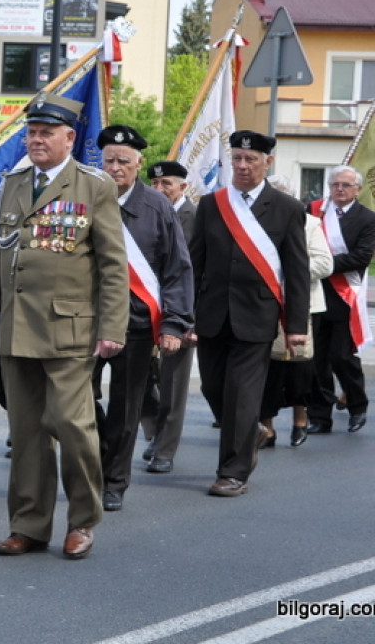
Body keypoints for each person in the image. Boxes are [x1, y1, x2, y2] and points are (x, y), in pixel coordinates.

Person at [0, 92, 128, 560]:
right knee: (28, 432)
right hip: (17, 329)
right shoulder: (11, 183)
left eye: (46, 133)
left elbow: (114, 264)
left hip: (70, 329)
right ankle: (29, 525)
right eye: (31, 133)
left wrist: (112, 326)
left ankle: (82, 520)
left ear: (69, 138)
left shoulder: (93, 187)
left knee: (72, 425)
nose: (36, 140)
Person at [189, 130, 309, 497]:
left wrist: (296, 326)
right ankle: (250, 431)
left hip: (257, 315)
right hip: (211, 313)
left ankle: (233, 471)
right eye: (237, 160)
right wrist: (184, 315)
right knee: (213, 387)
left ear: (266, 163)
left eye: (250, 160)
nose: (242, 166)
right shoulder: (212, 204)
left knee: (241, 394)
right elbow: (196, 261)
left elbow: (297, 269)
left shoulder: (287, 208)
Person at [94, 128, 193, 511]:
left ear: (138, 164)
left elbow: (176, 269)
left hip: (135, 324)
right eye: (109, 160)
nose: (115, 167)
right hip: (85, 320)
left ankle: (114, 481)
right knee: (76, 402)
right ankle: (101, 453)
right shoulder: (85, 197)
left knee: (126, 406)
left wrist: (174, 324)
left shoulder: (157, 206)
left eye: (123, 161)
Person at [259, 175, 332, 447]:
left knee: (300, 369)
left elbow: (325, 264)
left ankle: (300, 421)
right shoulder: (255, 222)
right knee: (267, 371)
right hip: (264, 305)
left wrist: (290, 271)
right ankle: (266, 427)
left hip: (304, 306)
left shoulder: (310, 223)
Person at [307, 165, 375, 435]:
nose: (339, 189)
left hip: (345, 296)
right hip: (316, 292)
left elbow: (360, 257)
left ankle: (357, 406)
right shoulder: (315, 211)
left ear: (357, 189)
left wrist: (323, 264)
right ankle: (320, 416)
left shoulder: (367, 218)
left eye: (346, 185)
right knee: (316, 360)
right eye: (335, 184)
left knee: (342, 357)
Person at [140, 159, 199, 472]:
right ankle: (154, 431)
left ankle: (165, 450)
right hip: (144, 310)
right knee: (142, 380)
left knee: (173, 384)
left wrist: (191, 322)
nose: (160, 189)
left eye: (167, 184)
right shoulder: (146, 212)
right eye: (156, 184)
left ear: (183, 187)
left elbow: (199, 274)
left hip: (179, 314)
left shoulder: (195, 218)